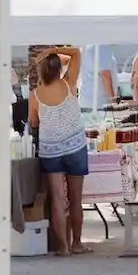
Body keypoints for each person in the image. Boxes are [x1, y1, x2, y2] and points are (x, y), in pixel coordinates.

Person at [28, 47, 88, 255]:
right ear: (59, 69)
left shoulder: (35, 95)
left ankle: (62, 247)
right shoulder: (68, 84)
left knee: (57, 199)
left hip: (50, 150)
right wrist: (52, 50)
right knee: (76, 199)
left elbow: (33, 122)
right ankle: (77, 243)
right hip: (75, 147)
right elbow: (76, 54)